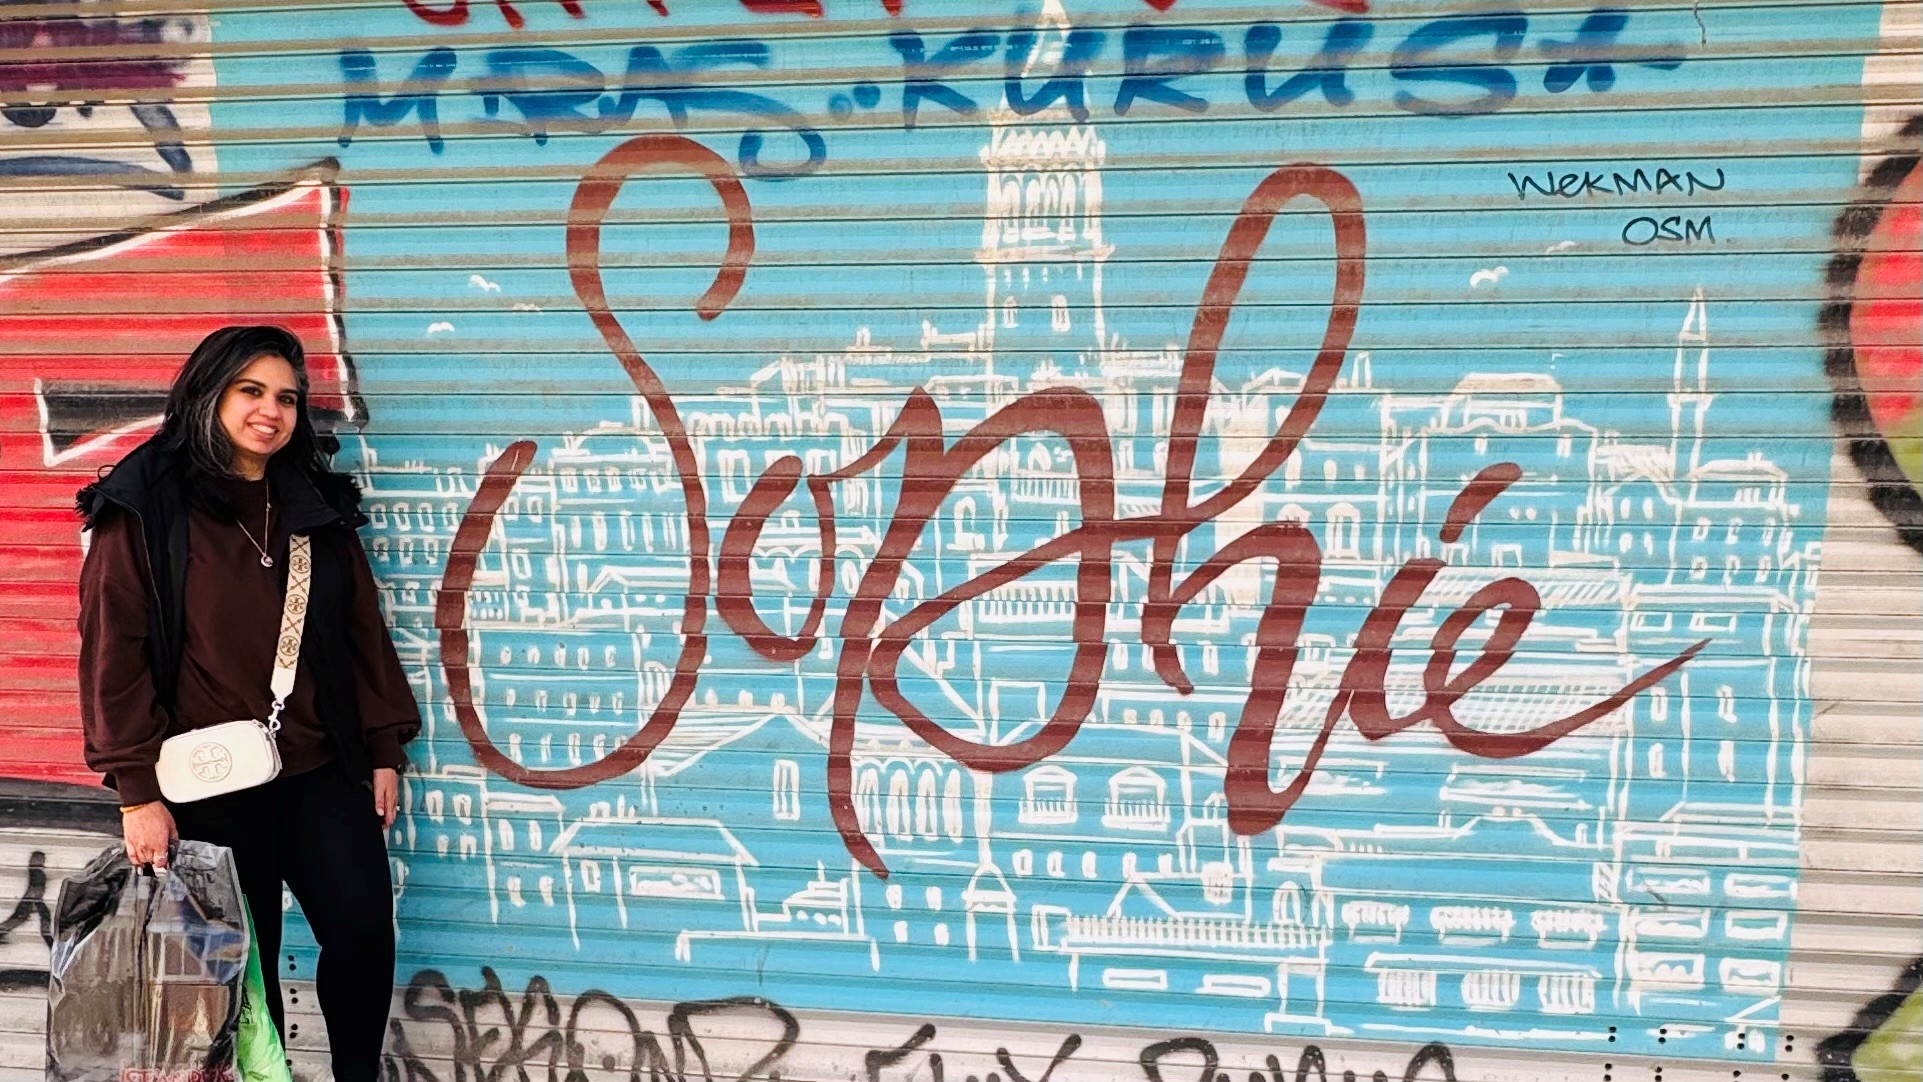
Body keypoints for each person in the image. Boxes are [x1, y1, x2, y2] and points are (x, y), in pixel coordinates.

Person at [75, 325, 420, 1082]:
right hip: (207, 785)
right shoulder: (146, 505)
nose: (272, 412)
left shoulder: (309, 501)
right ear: (209, 393)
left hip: (319, 767)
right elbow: (113, 652)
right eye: (251, 391)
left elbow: (360, 629)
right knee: (241, 969)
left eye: (288, 399)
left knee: (363, 930)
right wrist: (136, 792)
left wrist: (383, 746)